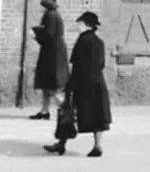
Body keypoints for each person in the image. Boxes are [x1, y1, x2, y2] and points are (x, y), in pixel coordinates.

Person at [44, 11, 112, 157]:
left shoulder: (83, 41)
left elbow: (78, 65)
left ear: (87, 25)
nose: (78, 26)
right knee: (97, 116)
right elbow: (101, 64)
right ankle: (97, 146)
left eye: (80, 24)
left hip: (81, 83)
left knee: (67, 112)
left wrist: (69, 86)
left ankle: (61, 144)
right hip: (97, 83)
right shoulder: (99, 42)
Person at [29, 0, 69, 120]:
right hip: (51, 52)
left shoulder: (51, 15)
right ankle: (45, 110)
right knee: (47, 85)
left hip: (53, 55)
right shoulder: (53, 14)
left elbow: (49, 34)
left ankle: (67, 109)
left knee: (53, 85)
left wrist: (35, 34)